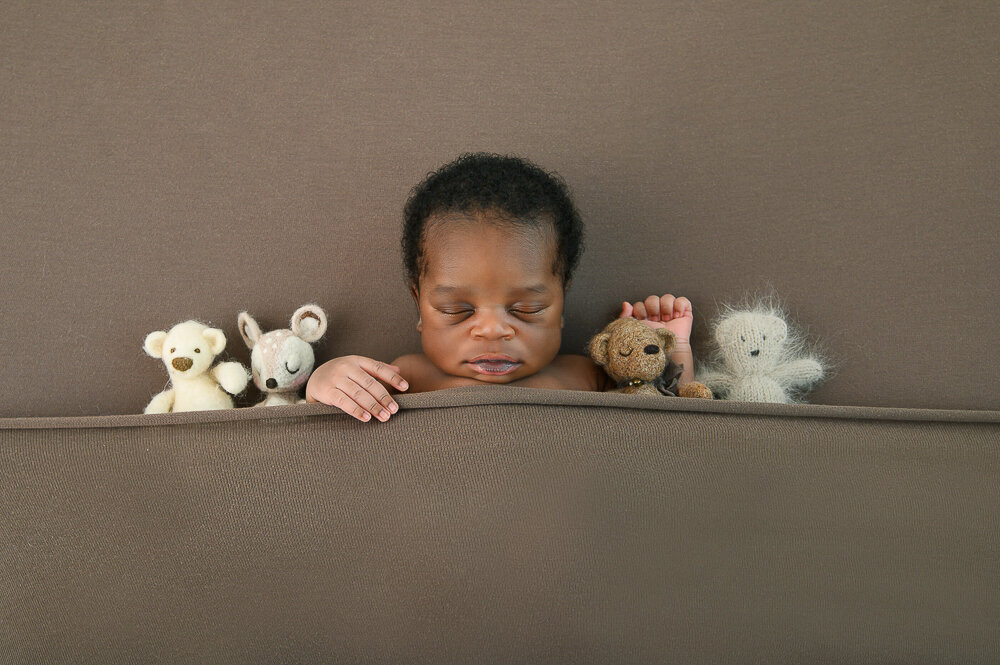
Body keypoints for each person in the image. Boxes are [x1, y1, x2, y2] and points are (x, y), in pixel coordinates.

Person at [306, 153, 698, 421]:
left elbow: (667, 420)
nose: (493, 330)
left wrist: (671, 347)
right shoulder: (407, 378)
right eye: (457, 310)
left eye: (526, 309)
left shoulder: (585, 376)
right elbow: (343, 412)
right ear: (419, 303)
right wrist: (325, 379)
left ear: (561, 300)